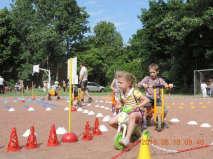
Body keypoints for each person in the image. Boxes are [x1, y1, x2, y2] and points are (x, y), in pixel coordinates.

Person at [108, 71, 149, 147]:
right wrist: (118, 106)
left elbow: (146, 100)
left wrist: (137, 106)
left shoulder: (134, 92)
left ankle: (127, 138)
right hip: (126, 112)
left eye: (121, 83)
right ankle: (128, 131)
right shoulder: (121, 93)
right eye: (118, 83)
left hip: (138, 113)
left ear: (129, 83)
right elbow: (121, 104)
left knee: (132, 115)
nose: (118, 85)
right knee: (111, 122)